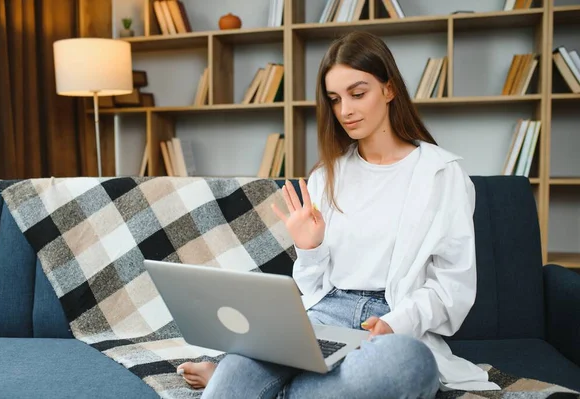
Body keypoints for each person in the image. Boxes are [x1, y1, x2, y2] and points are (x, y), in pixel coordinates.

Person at [177, 31, 501, 398]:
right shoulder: (325, 176)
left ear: (389, 89)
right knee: (244, 361)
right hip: (322, 317)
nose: (345, 110)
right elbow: (315, 291)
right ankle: (246, 375)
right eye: (335, 99)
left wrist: (396, 324)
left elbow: (452, 286)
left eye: (358, 93)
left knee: (409, 364)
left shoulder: (443, 174)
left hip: (390, 324)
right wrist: (310, 248)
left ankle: (266, 385)